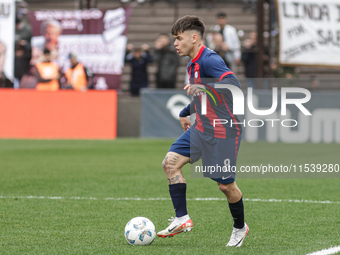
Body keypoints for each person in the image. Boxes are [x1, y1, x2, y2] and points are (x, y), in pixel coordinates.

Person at [157, 15, 248, 247]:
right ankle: (182, 219)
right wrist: (185, 111)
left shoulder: (210, 59)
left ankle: (240, 227)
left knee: (225, 186)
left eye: (179, 38)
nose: (175, 43)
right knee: (170, 163)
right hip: (202, 127)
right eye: (174, 39)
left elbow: (234, 86)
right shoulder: (192, 64)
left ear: (194, 38)